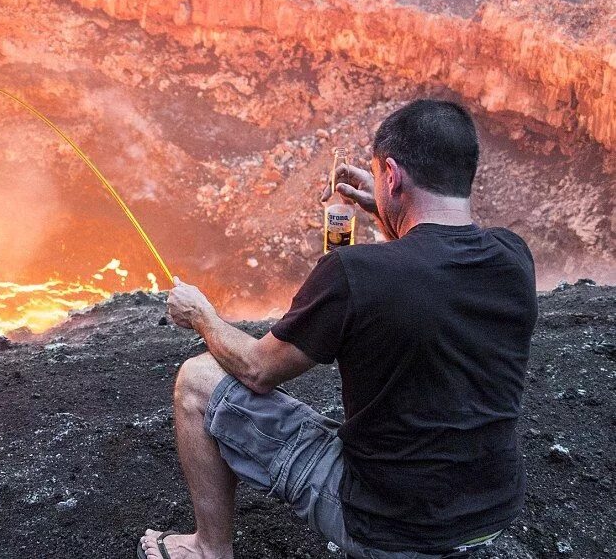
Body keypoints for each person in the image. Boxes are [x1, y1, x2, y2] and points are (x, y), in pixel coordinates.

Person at [138, 100, 537, 559]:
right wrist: (385, 212)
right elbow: (438, 261)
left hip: (387, 525)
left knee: (197, 380)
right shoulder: (513, 257)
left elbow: (256, 370)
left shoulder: (354, 273)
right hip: (488, 513)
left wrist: (201, 315)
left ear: (392, 175)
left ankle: (208, 548)